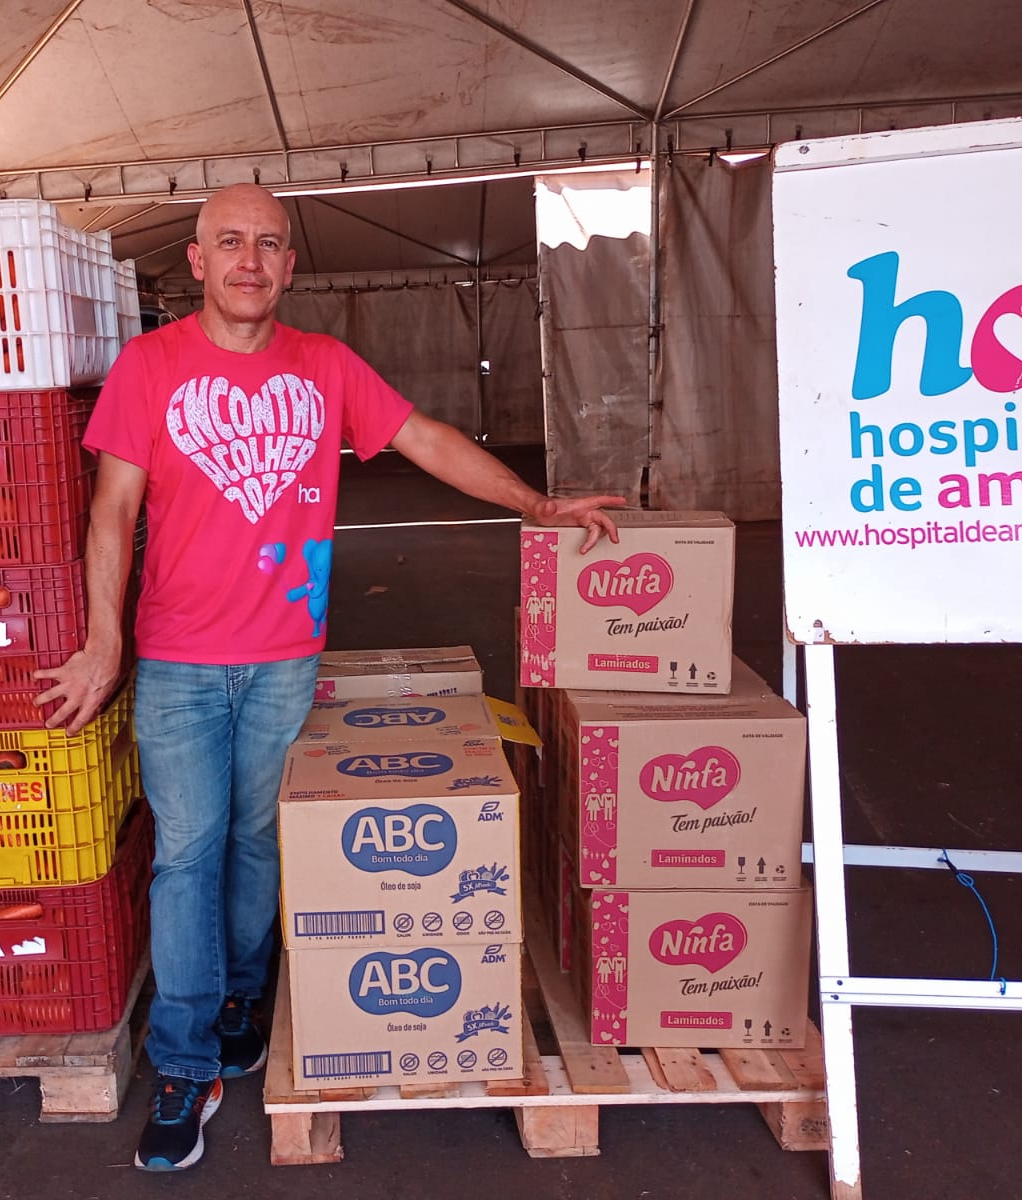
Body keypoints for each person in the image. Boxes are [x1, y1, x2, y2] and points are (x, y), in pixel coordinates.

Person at [33, 182, 623, 1172]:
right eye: (230, 242)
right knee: (187, 855)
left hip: (284, 657)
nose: (249, 260)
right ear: (197, 260)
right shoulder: (150, 367)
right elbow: (112, 511)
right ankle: (185, 1064)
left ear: (290, 265)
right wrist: (104, 641)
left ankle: (241, 997)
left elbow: (426, 438)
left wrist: (535, 503)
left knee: (256, 839)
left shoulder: (326, 365)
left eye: (268, 244)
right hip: (178, 659)